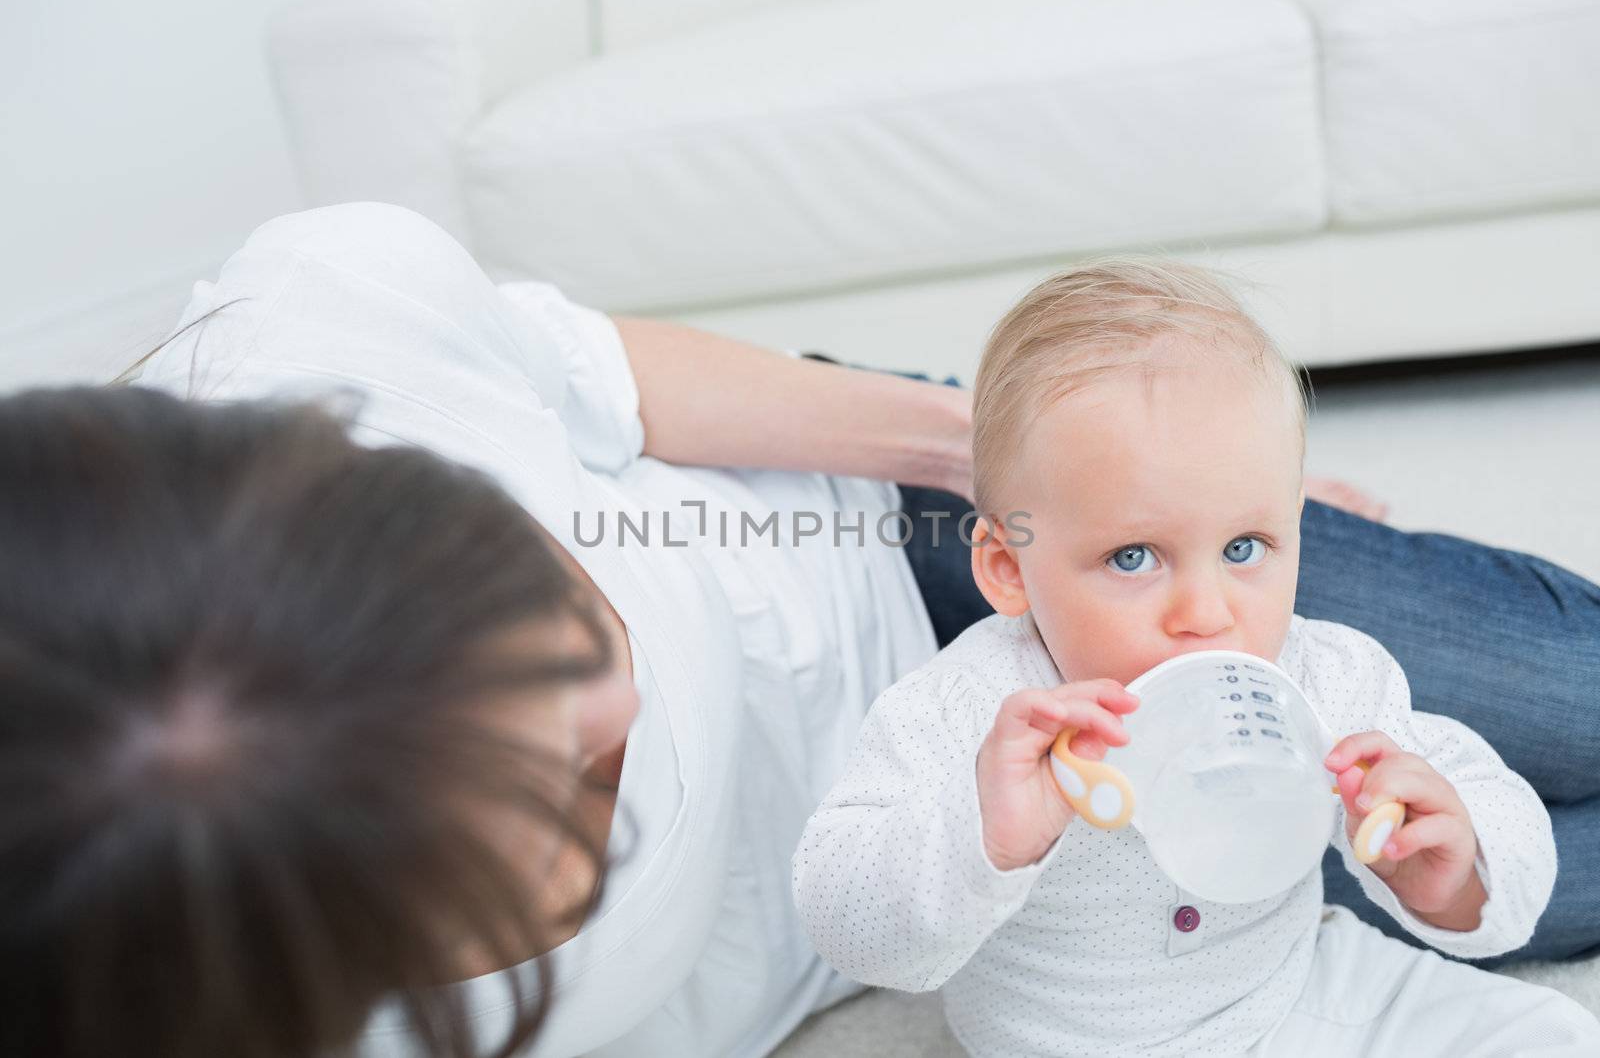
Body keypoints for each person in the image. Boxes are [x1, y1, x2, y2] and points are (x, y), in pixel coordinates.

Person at [1, 203, 1596, 1057]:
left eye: (541, 597)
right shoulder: (182, 966)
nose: (611, 693)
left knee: (1562, 699)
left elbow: (611, 376)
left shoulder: (323, 328)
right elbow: (884, 924)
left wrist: (1120, 508)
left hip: (905, 542)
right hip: (996, 831)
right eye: (551, 809)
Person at [792, 259, 1600, 1055]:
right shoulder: (976, 709)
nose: (1209, 615)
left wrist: (1454, 870)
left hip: (1295, 989)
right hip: (1074, 1044)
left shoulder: (1321, 672)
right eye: (1135, 557)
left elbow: (1495, 817)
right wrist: (983, 832)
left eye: (1245, 546)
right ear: (1009, 568)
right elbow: (845, 918)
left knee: (1550, 1031)